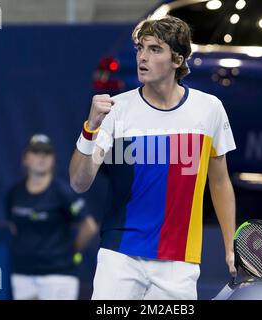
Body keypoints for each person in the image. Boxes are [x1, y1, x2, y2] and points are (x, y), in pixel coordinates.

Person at [69, 16, 236, 300]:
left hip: (179, 262)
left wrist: (230, 247)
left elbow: (219, 183)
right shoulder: (115, 109)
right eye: (140, 49)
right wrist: (91, 129)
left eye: (155, 49)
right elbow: (79, 182)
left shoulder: (209, 109)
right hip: (119, 256)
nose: (142, 57)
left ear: (177, 60)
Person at [7, 133, 98, 300]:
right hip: (22, 273)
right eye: (36, 152)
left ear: (53, 159)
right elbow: (13, 227)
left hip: (58, 275)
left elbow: (89, 226)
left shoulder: (62, 192)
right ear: (25, 158)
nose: (41, 157)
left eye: (46, 153)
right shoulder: (15, 193)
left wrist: (71, 252)